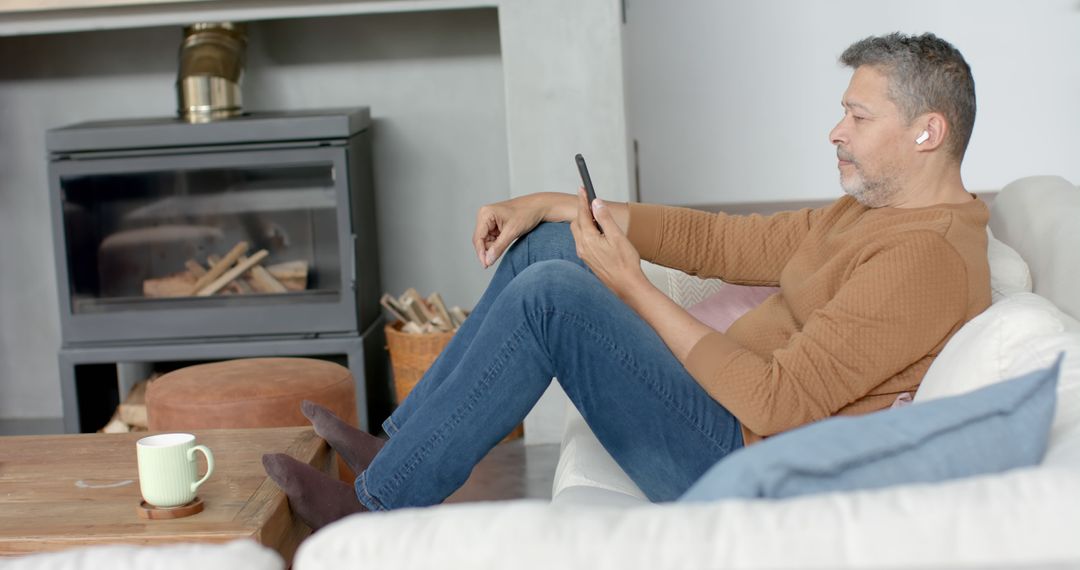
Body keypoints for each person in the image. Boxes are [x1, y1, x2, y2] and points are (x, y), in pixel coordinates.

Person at [262, 31, 990, 529]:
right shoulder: (873, 213)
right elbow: (723, 239)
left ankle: (375, 510)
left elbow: (781, 403)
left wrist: (633, 284)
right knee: (553, 243)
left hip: (738, 462)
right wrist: (560, 204)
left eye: (858, 116)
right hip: (719, 414)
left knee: (554, 298)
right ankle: (404, 448)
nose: (837, 131)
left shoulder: (926, 258)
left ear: (928, 132)